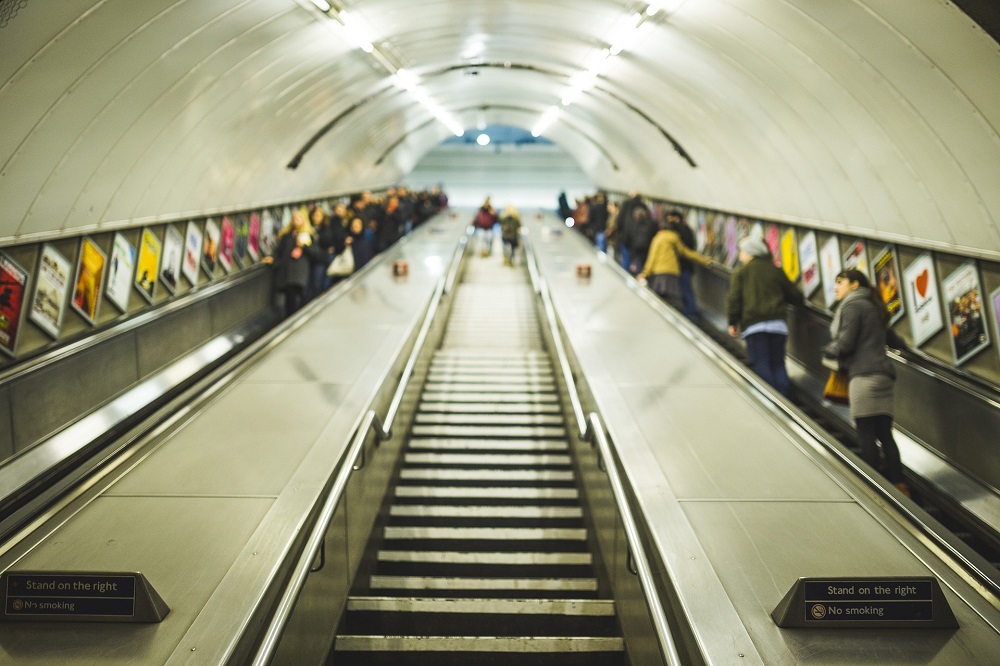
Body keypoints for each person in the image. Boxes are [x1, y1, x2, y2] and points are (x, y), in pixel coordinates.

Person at [822, 269, 909, 496]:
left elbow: (846, 342)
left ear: (854, 284)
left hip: (863, 375)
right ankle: (899, 484)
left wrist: (827, 350)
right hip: (884, 376)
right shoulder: (874, 305)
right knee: (884, 432)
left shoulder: (852, 305)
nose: (836, 288)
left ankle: (874, 486)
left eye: (840, 282)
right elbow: (893, 339)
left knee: (865, 431)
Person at [726, 233, 803, 397]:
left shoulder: (740, 272)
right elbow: (796, 296)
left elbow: (734, 299)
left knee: (762, 362)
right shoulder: (775, 270)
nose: (740, 255)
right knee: (778, 363)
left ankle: (769, 398)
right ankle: (784, 396)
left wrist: (732, 322)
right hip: (778, 325)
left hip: (754, 325)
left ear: (750, 252)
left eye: (742, 252)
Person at [637, 215, 714, 309]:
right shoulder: (674, 237)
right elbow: (687, 252)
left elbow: (651, 258)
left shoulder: (657, 238)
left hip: (659, 275)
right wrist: (705, 261)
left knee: (658, 303)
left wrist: (645, 273)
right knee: (671, 302)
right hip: (671, 274)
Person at [263, 208, 320, 317]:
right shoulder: (287, 235)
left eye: (299, 219)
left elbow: (316, 254)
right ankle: (291, 317)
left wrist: (303, 247)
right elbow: (279, 251)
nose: (296, 221)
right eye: (294, 219)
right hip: (287, 269)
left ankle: (294, 316)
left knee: (295, 294)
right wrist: (272, 259)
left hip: (300, 271)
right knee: (290, 296)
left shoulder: (308, 235)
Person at [666, 209, 700, 319]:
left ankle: (691, 312)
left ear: (676, 218)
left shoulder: (678, 232)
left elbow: (684, 250)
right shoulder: (687, 230)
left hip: (682, 266)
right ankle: (690, 312)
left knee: (686, 290)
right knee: (686, 289)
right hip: (686, 266)